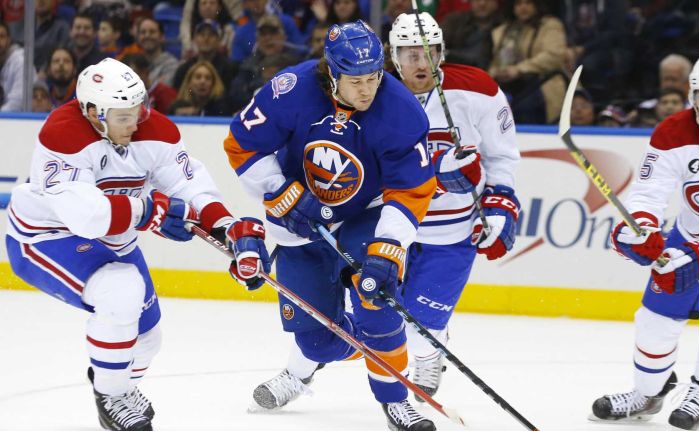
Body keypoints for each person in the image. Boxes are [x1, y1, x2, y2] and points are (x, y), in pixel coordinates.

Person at [249, 10, 521, 413]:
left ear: (442, 52)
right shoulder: (371, 90)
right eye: (410, 54)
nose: (421, 64)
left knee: (419, 324)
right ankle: (300, 370)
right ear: (392, 56)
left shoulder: (478, 90)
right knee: (370, 308)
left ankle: (430, 351)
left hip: (447, 229)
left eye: (429, 53)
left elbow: (503, 157)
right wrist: (442, 171)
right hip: (385, 219)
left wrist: (501, 202)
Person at [4, 57, 249, 431]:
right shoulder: (63, 133)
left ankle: (114, 383)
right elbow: (85, 217)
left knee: (148, 339)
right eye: (122, 116)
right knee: (121, 290)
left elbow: (189, 186)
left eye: (138, 110)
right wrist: (149, 210)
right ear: (92, 112)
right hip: (47, 236)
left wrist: (229, 228)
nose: (134, 123)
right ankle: (112, 395)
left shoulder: (152, 128)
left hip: (114, 241)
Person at [223, 20, 439, 431]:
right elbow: (241, 145)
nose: (367, 89)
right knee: (316, 342)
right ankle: (367, 349)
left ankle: (395, 398)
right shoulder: (290, 89)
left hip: (366, 216)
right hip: (298, 222)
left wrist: (388, 248)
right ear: (331, 73)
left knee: (376, 299)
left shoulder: (401, 112)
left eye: (374, 77)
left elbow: (412, 189)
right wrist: (280, 191)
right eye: (356, 80)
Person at [590, 52, 699, 430]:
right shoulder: (672, 132)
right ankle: (648, 393)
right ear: (692, 98)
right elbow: (648, 193)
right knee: (654, 321)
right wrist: (639, 229)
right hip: (689, 237)